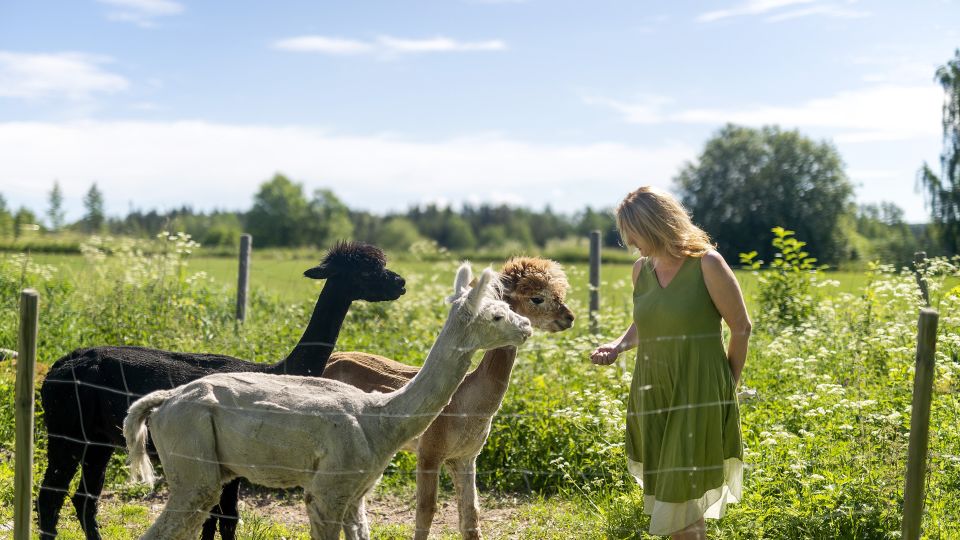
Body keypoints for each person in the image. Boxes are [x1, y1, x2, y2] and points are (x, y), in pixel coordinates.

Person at [591, 186, 751, 539]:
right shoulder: (640, 271)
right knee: (674, 491)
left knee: (681, 493)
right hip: (653, 390)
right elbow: (648, 322)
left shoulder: (707, 264)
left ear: (654, 226)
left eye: (634, 235)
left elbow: (741, 328)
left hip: (698, 390)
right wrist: (618, 345)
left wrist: (727, 387)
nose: (631, 244)